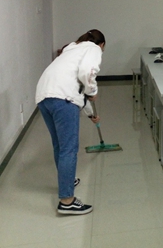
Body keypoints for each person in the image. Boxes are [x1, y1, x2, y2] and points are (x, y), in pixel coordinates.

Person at [35, 29, 106, 215]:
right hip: (63, 98)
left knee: (59, 145)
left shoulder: (71, 49)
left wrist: (90, 114)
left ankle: (66, 180)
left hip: (44, 96)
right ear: (102, 45)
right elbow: (87, 73)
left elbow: (75, 88)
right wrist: (93, 91)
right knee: (68, 149)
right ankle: (67, 201)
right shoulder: (93, 49)